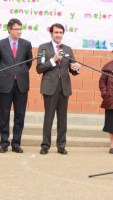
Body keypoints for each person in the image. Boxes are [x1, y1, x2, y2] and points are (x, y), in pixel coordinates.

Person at [36, 23, 81, 155]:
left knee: (62, 118)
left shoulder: (67, 48)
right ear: (51, 33)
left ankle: (61, 145)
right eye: (56, 32)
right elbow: (39, 68)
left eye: (61, 33)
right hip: (50, 86)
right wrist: (53, 59)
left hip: (64, 86)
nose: (58, 35)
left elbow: (72, 68)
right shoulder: (44, 48)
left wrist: (76, 68)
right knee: (49, 117)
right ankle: (45, 145)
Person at [0, 18, 33, 153]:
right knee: (4, 114)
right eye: (16, 29)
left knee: (20, 115)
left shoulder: (26, 44)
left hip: (21, 84)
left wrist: (19, 72)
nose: (19, 31)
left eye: (21, 29)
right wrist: (5, 74)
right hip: (5, 83)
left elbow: (29, 63)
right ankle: (4, 142)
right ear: (9, 29)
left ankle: (16, 143)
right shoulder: (0, 44)